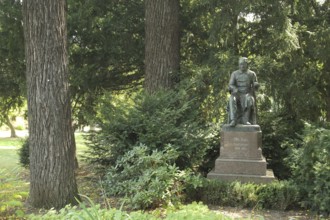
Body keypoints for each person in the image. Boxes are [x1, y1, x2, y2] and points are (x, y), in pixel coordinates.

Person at [228, 57, 259, 127]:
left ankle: (245, 119)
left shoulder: (252, 74)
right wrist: (234, 89)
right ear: (239, 65)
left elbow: (255, 83)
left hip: (247, 93)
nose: (242, 66)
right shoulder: (234, 74)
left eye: (244, 64)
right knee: (232, 99)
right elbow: (230, 84)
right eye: (241, 64)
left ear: (247, 65)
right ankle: (233, 119)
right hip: (237, 94)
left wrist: (256, 84)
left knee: (250, 99)